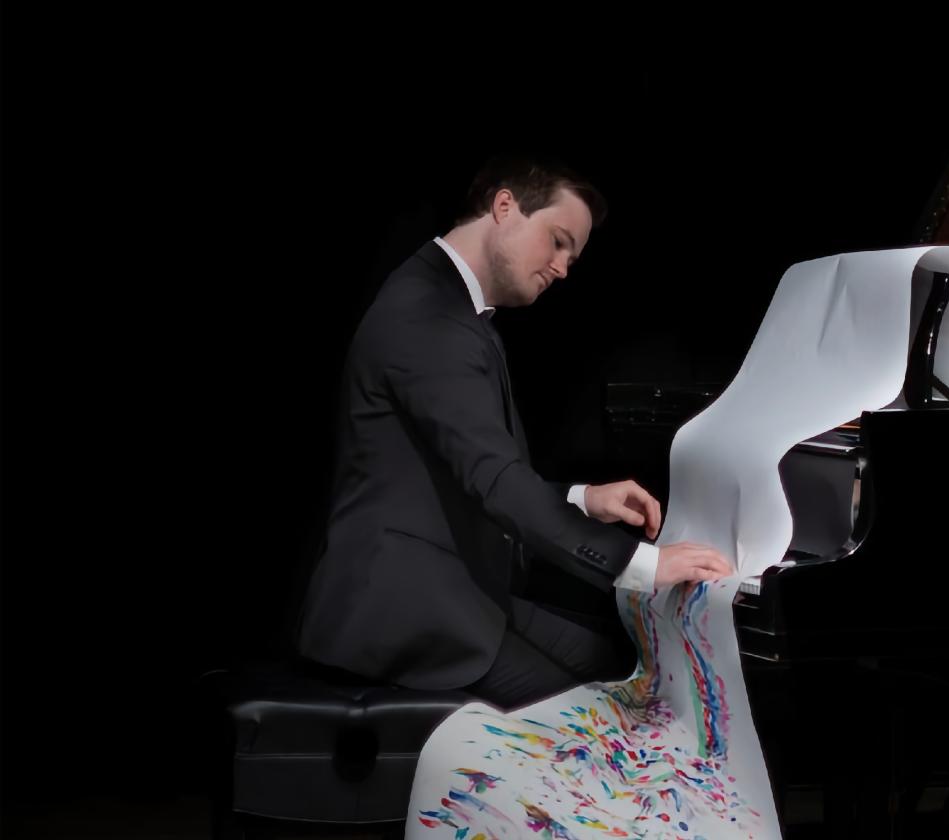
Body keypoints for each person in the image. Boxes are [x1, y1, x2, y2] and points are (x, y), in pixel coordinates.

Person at [294, 154, 732, 708]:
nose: (563, 267)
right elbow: (495, 480)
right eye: (558, 240)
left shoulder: (450, 306)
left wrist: (581, 498)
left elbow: (463, 476)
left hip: (452, 588)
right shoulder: (427, 317)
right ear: (505, 206)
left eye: (572, 253)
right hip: (399, 609)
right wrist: (645, 563)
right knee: (609, 714)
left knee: (617, 666)